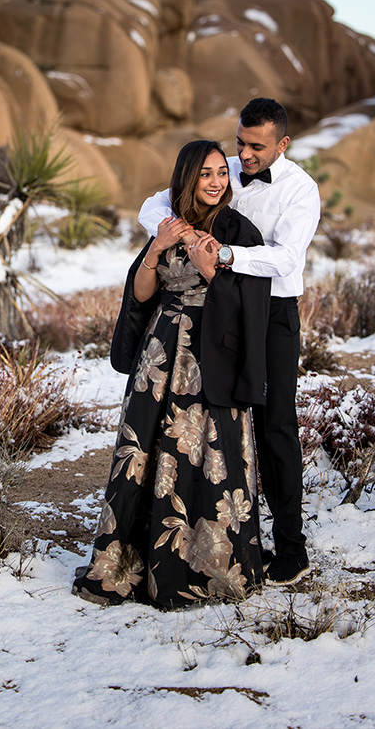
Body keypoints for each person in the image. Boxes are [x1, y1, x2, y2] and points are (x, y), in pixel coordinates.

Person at [72, 140, 271, 609]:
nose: (217, 182)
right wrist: (156, 249)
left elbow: (251, 305)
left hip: (213, 354)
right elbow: (142, 293)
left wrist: (212, 269)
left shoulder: (242, 232)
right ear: (187, 178)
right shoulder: (168, 225)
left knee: (210, 451)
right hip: (161, 353)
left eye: (223, 172)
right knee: (146, 449)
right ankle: (129, 561)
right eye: (206, 173)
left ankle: (205, 566)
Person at [137, 98, 321, 586]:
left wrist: (224, 255)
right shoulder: (226, 170)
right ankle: (228, 537)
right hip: (222, 308)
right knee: (224, 422)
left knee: (275, 423)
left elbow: (285, 259)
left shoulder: (301, 190)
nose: (245, 154)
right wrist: (174, 232)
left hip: (272, 313)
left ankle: (291, 548)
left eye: (256, 146)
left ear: (282, 143)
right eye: (240, 141)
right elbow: (156, 202)